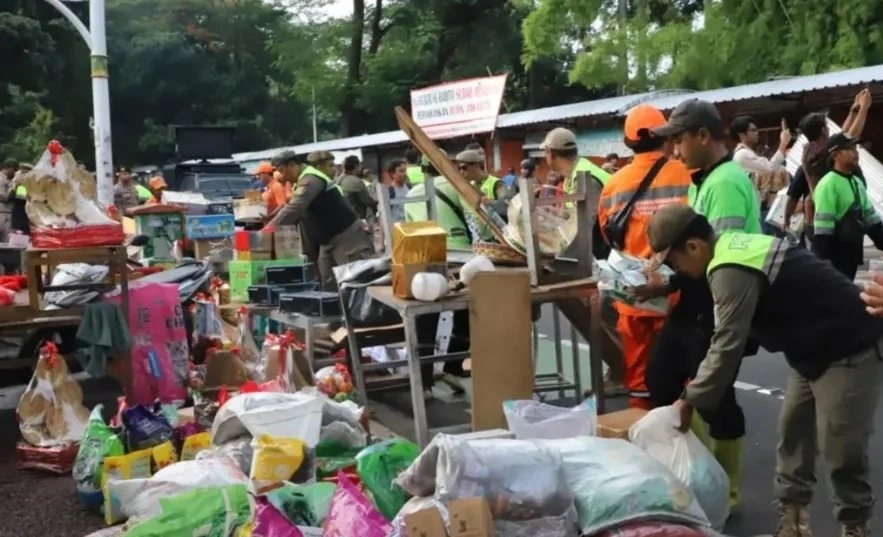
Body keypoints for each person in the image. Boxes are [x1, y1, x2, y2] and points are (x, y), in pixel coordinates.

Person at [645, 203, 883, 537]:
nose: (677, 270)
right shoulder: (729, 247)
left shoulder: (729, 270)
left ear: (694, 247)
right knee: (793, 438)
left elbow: (726, 344)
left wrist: (689, 400)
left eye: (674, 262)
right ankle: (793, 526)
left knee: (840, 447)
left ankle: (855, 526)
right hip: (810, 350)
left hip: (848, 347)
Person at [641, 98, 761, 508]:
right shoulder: (703, 180)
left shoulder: (725, 183)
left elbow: (718, 258)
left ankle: (725, 493)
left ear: (704, 136)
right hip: (693, 301)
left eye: (679, 140)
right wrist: (666, 282)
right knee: (662, 379)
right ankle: (700, 474)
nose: (674, 150)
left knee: (716, 400)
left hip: (717, 303)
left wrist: (671, 280)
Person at [597, 104, 692, 409]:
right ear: (665, 136)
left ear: (628, 142)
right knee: (683, 375)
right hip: (675, 292)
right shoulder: (686, 174)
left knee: (639, 379)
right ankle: (682, 432)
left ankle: (642, 428)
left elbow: (608, 234)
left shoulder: (614, 183)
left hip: (634, 293)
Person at [404, 154, 472, 397]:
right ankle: (453, 366)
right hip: (461, 257)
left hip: (427, 258)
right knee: (466, 312)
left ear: (422, 170)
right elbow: (475, 221)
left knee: (426, 318)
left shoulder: (411, 195)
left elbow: (409, 230)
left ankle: (424, 383)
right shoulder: (458, 187)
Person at [266, 150, 374, 285]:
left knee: (353, 282)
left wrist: (267, 231)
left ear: (292, 165)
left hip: (346, 238)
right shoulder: (299, 182)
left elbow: (293, 210)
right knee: (328, 284)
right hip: (327, 241)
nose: (282, 176)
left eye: (282, 171)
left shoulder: (310, 180)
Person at [784, 90, 871, 244]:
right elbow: (850, 136)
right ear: (823, 130)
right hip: (833, 215)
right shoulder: (821, 153)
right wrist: (864, 108)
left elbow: (842, 135)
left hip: (820, 213)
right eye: (826, 126)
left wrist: (854, 111)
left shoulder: (810, 150)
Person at [811, 133, 883, 280]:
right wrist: (823, 260)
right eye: (850, 149)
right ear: (835, 155)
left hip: (852, 253)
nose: (856, 152)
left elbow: (870, 217)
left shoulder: (857, 182)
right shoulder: (828, 184)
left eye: (855, 148)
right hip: (835, 257)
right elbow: (823, 225)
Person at [730, 116, 791, 234]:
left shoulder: (744, 153)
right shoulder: (743, 154)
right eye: (753, 130)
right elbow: (770, 167)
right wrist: (783, 144)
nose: (757, 133)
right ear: (742, 135)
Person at [336, 155, 377, 221]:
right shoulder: (355, 181)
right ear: (355, 166)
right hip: (356, 217)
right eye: (360, 165)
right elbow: (367, 200)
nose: (361, 168)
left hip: (343, 215)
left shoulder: (338, 179)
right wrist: (377, 201)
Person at [0, 161, 17, 241]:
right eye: (14, 170)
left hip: (6, 213)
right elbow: (4, 198)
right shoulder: (1, 179)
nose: (15, 172)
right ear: (7, 168)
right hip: (3, 214)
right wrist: (14, 188)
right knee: (6, 241)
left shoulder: (8, 180)